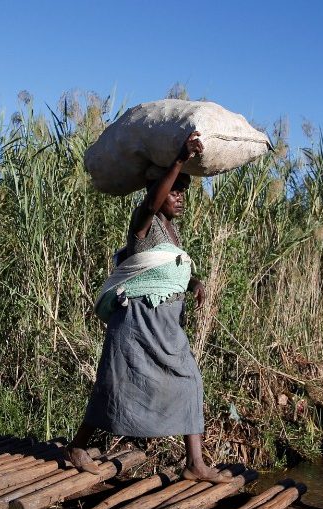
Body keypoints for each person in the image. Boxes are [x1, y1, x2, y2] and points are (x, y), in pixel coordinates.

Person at [67, 131, 231, 483]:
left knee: (189, 380)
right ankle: (78, 446)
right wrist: (180, 159)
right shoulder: (144, 221)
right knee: (115, 382)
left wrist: (194, 281)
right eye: (174, 191)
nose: (180, 197)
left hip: (166, 322)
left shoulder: (172, 232)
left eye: (183, 191)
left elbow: (168, 266)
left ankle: (195, 464)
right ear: (156, 191)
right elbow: (152, 205)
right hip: (137, 319)